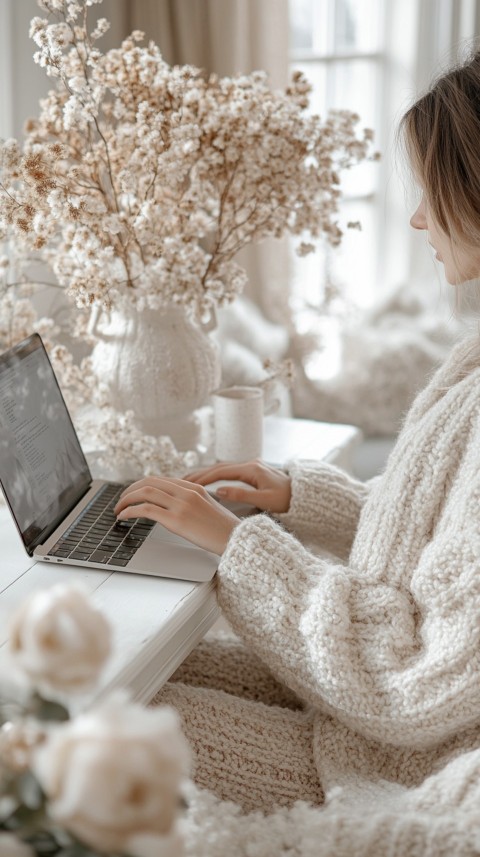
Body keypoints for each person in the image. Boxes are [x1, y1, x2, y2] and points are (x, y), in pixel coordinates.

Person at [114, 51, 480, 854]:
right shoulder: (473, 360)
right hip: (364, 716)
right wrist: (294, 495)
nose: (419, 219)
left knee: (85, 721)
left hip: (394, 752)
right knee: (101, 680)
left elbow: (415, 686)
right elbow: (438, 540)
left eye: (431, 192)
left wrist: (240, 543)